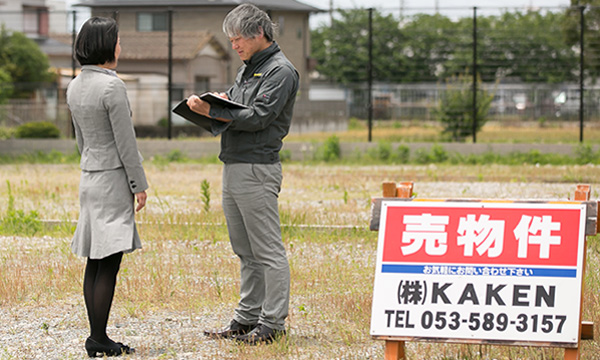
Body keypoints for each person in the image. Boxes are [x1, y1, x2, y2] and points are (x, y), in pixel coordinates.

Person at [186, 3, 299, 345]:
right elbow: (239, 109)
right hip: (234, 163)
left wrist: (216, 108)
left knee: (267, 250)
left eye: (238, 39)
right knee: (245, 250)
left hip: (257, 167)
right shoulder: (248, 69)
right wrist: (212, 107)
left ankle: (273, 323)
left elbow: (260, 116)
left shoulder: (280, 71)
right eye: (231, 39)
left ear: (259, 34)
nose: (234, 45)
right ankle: (247, 318)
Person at [67, 17, 148, 358]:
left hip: (89, 175)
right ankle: (98, 339)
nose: (119, 46)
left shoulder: (75, 85)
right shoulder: (112, 87)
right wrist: (139, 184)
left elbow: (80, 140)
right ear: (104, 45)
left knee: (94, 259)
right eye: (116, 40)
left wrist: (91, 164)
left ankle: (97, 335)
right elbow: (126, 142)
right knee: (109, 262)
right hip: (113, 178)